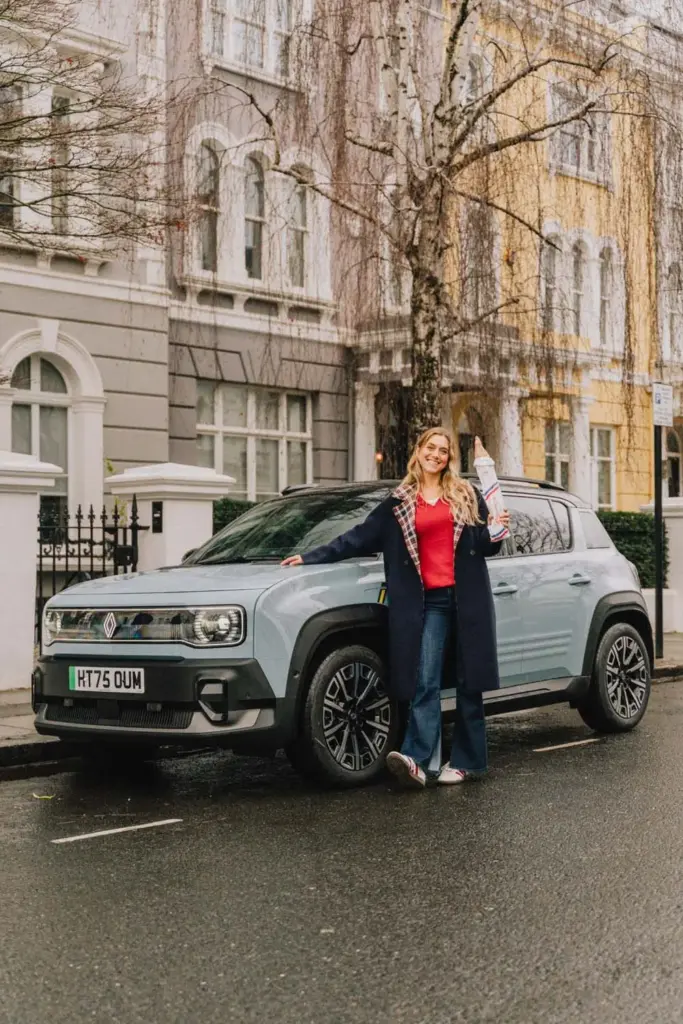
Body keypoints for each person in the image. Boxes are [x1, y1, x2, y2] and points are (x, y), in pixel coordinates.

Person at [281, 427, 510, 789]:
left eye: (444, 450)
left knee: (470, 682)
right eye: (430, 447)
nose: (436, 454)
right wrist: (311, 556)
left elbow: (486, 546)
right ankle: (419, 761)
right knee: (425, 680)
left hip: (467, 599)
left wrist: (497, 530)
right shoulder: (398, 502)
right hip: (428, 602)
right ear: (418, 451)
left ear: (450, 458)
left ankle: (467, 762)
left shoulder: (466, 495)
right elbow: (356, 538)